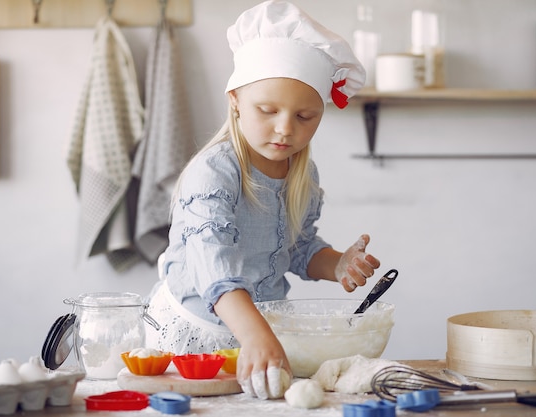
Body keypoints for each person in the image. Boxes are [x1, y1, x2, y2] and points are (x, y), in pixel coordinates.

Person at [146, 0, 381, 400]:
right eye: (267, 110)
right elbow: (211, 263)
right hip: (192, 333)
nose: (285, 129)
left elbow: (298, 247)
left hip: (257, 334)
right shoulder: (216, 171)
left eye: (305, 117)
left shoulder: (303, 175)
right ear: (235, 99)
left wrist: (337, 263)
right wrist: (257, 334)